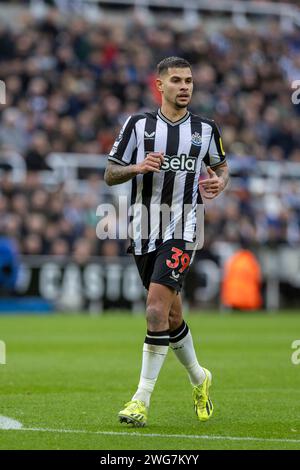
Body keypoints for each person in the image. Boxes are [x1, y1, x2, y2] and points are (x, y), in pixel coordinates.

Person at [104, 56, 229, 427]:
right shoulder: (137, 126)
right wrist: (137, 167)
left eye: (189, 80)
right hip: (143, 230)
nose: (185, 86)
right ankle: (199, 377)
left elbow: (221, 167)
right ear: (159, 85)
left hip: (183, 228)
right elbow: (110, 173)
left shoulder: (205, 129)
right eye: (176, 80)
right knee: (172, 316)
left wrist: (220, 182)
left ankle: (140, 400)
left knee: (155, 311)